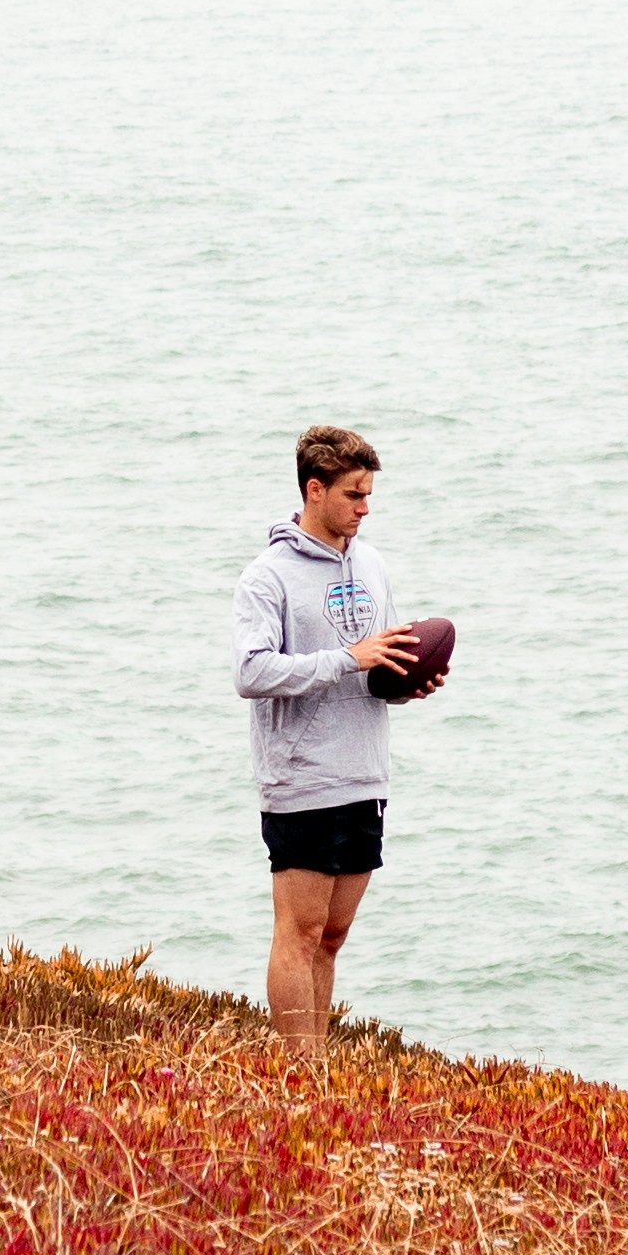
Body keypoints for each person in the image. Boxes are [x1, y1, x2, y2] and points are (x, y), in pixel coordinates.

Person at [234, 421, 409, 1063]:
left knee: (332, 936)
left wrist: (408, 682)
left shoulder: (372, 564)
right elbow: (250, 672)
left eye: (369, 495)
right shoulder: (267, 578)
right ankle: (297, 1071)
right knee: (299, 932)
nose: (366, 508)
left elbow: (379, 660)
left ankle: (317, 1064)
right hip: (301, 777)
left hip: (365, 771)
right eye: (354, 495)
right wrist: (344, 659)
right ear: (316, 490)